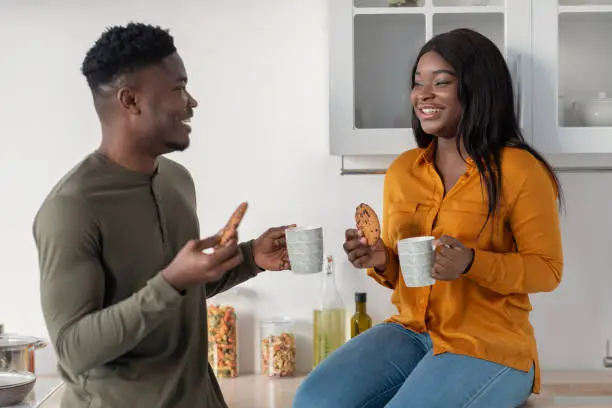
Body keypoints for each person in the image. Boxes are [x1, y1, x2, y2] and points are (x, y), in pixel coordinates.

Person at [293, 28, 564, 408]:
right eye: (418, 83)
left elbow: (547, 270)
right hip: (410, 332)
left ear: (477, 89)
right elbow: (406, 274)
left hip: (491, 346)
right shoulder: (403, 172)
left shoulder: (520, 171)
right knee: (314, 400)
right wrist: (381, 259)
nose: (423, 95)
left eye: (441, 83)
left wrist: (471, 262)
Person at [32, 22, 292, 408]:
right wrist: (171, 281)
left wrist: (251, 258)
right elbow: (73, 349)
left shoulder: (176, 181)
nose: (191, 102)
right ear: (130, 101)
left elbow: (177, 296)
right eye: (178, 89)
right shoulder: (70, 208)